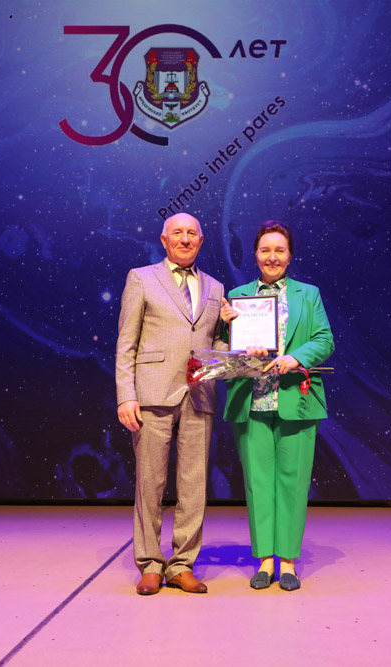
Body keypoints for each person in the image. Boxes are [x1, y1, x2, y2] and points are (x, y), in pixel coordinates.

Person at [116, 212, 228, 595]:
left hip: (199, 394)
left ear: (201, 240)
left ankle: (182, 565)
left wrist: (235, 333)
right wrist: (126, 395)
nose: (184, 239)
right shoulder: (141, 278)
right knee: (150, 482)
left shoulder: (215, 286)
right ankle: (150, 564)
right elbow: (126, 343)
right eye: (177, 232)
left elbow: (213, 343)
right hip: (152, 393)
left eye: (191, 233)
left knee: (194, 484)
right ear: (164, 240)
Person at [219, 220, 334, 591]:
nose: (272, 257)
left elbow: (325, 339)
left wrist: (295, 358)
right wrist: (226, 329)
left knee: (292, 481)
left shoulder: (308, 294)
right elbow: (224, 350)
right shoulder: (238, 296)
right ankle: (265, 559)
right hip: (251, 400)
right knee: (257, 482)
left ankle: (287, 560)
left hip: (295, 399)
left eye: (279, 250)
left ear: (290, 255)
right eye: (265, 250)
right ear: (255, 255)